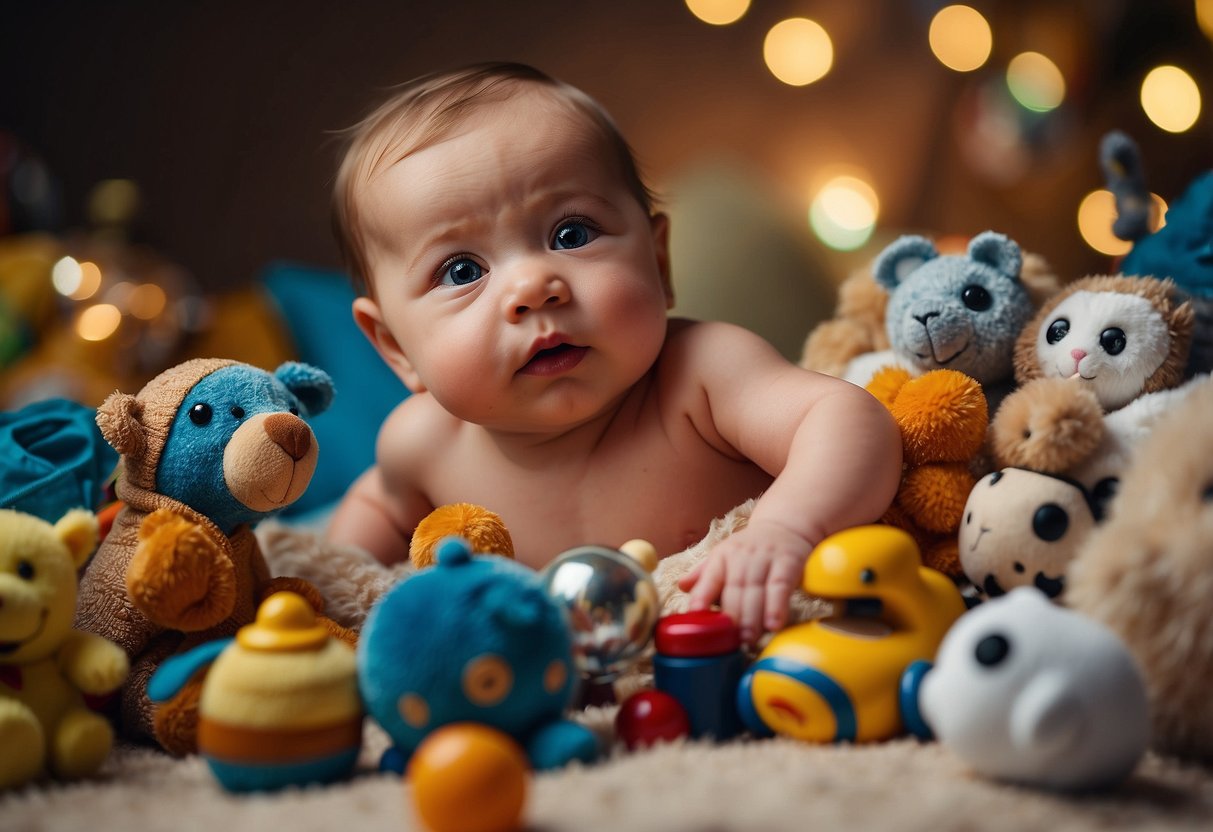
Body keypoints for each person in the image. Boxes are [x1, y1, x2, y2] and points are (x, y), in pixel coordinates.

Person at [326, 62, 901, 643]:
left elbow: (849, 419)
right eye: (462, 270)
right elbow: (371, 522)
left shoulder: (703, 375)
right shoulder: (423, 446)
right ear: (397, 349)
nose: (532, 287)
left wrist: (787, 529)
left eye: (571, 234)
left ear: (659, 263)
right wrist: (326, 599)